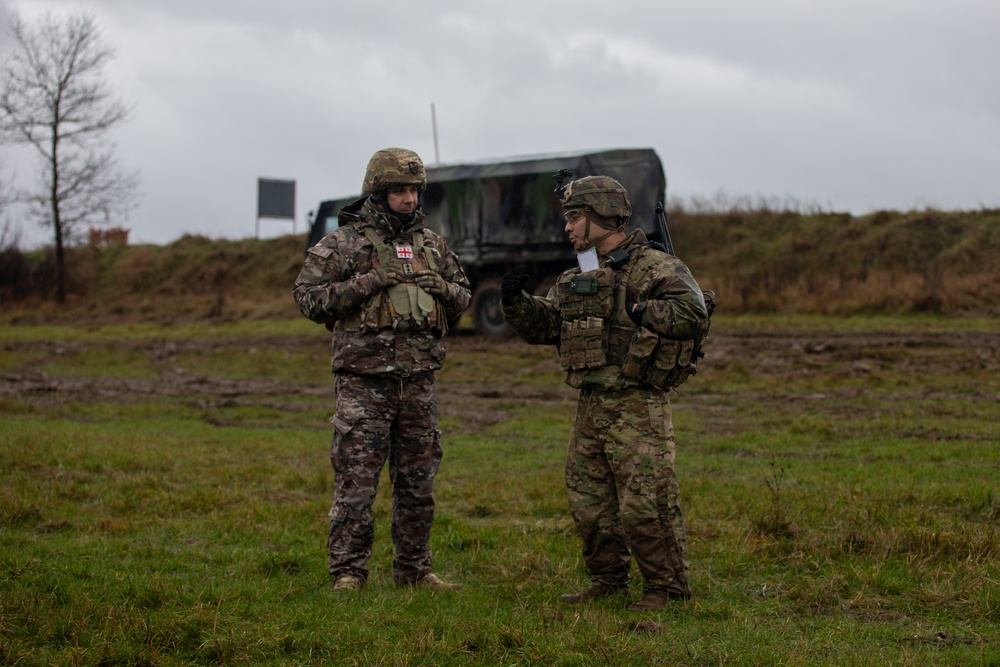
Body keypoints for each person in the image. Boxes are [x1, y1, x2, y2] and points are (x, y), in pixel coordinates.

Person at [500, 175, 710, 611]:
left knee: (645, 501)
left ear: (602, 217)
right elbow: (551, 324)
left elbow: (693, 312)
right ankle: (608, 581)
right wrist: (517, 304)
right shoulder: (584, 271)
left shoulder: (655, 266)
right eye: (568, 218)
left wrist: (641, 309)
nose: (568, 228)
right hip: (592, 404)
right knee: (589, 501)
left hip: (638, 404)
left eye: (575, 218)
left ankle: (667, 589)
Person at [293, 147, 471, 592]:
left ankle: (414, 571)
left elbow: (464, 296)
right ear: (377, 191)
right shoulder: (343, 243)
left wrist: (443, 287)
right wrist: (371, 280)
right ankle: (349, 573)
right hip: (364, 384)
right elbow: (308, 298)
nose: (409, 199)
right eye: (399, 191)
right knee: (357, 484)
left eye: (413, 190)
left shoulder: (432, 245)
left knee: (418, 483)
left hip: (419, 383)